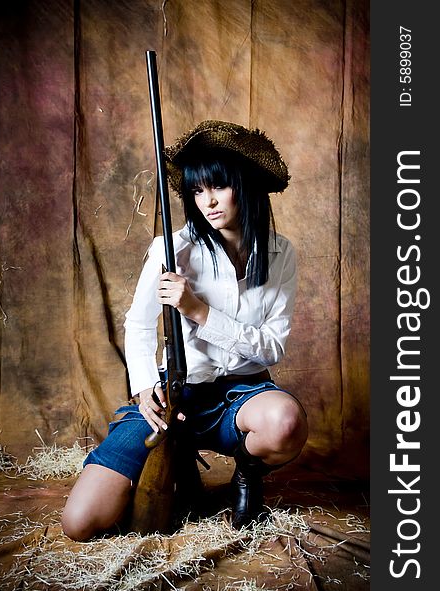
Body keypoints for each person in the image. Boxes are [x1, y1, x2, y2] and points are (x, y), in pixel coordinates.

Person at [62, 120, 308, 542]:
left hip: (244, 394)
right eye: (197, 190)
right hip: (176, 393)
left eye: (218, 187)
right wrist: (144, 390)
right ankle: (174, 469)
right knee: (80, 522)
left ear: (245, 186)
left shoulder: (281, 253)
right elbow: (138, 325)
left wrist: (198, 310)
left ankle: (246, 476)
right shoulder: (171, 249)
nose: (207, 201)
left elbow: (270, 348)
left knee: (284, 423)